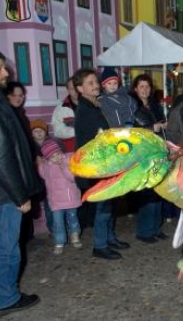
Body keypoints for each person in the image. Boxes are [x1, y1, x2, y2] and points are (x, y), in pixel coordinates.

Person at [0, 50, 41, 317]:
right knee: (6, 248)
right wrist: (19, 195)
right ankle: (5, 298)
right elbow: (0, 156)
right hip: (4, 194)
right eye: (0, 68)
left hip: (2, 191)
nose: (6, 73)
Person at [73, 67, 130, 260]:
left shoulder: (96, 105)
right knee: (103, 207)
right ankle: (100, 245)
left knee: (109, 204)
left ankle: (110, 238)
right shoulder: (85, 111)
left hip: (105, 165)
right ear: (80, 89)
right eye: (90, 83)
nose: (96, 85)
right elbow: (94, 142)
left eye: (96, 82)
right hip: (96, 167)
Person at [130, 74, 168, 243]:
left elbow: (161, 125)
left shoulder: (154, 106)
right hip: (143, 155)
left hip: (157, 152)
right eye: (141, 86)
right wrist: (153, 127)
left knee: (158, 191)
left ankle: (155, 228)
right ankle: (144, 231)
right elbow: (132, 131)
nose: (145, 90)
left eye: (147, 86)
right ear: (135, 88)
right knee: (147, 194)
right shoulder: (132, 107)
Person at [37, 139, 82, 255]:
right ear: (47, 157)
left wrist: (63, 167)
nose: (56, 157)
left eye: (57, 153)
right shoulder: (46, 165)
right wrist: (40, 165)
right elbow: (43, 176)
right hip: (56, 201)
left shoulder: (67, 160)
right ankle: (59, 242)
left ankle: (75, 236)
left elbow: (72, 178)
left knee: (72, 219)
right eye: (52, 156)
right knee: (58, 222)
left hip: (70, 198)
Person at [51, 77, 79, 153]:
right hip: (70, 153)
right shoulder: (60, 109)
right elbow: (58, 131)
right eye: (72, 89)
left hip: (90, 150)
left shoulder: (91, 106)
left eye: (77, 87)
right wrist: (78, 130)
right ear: (68, 90)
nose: (75, 91)